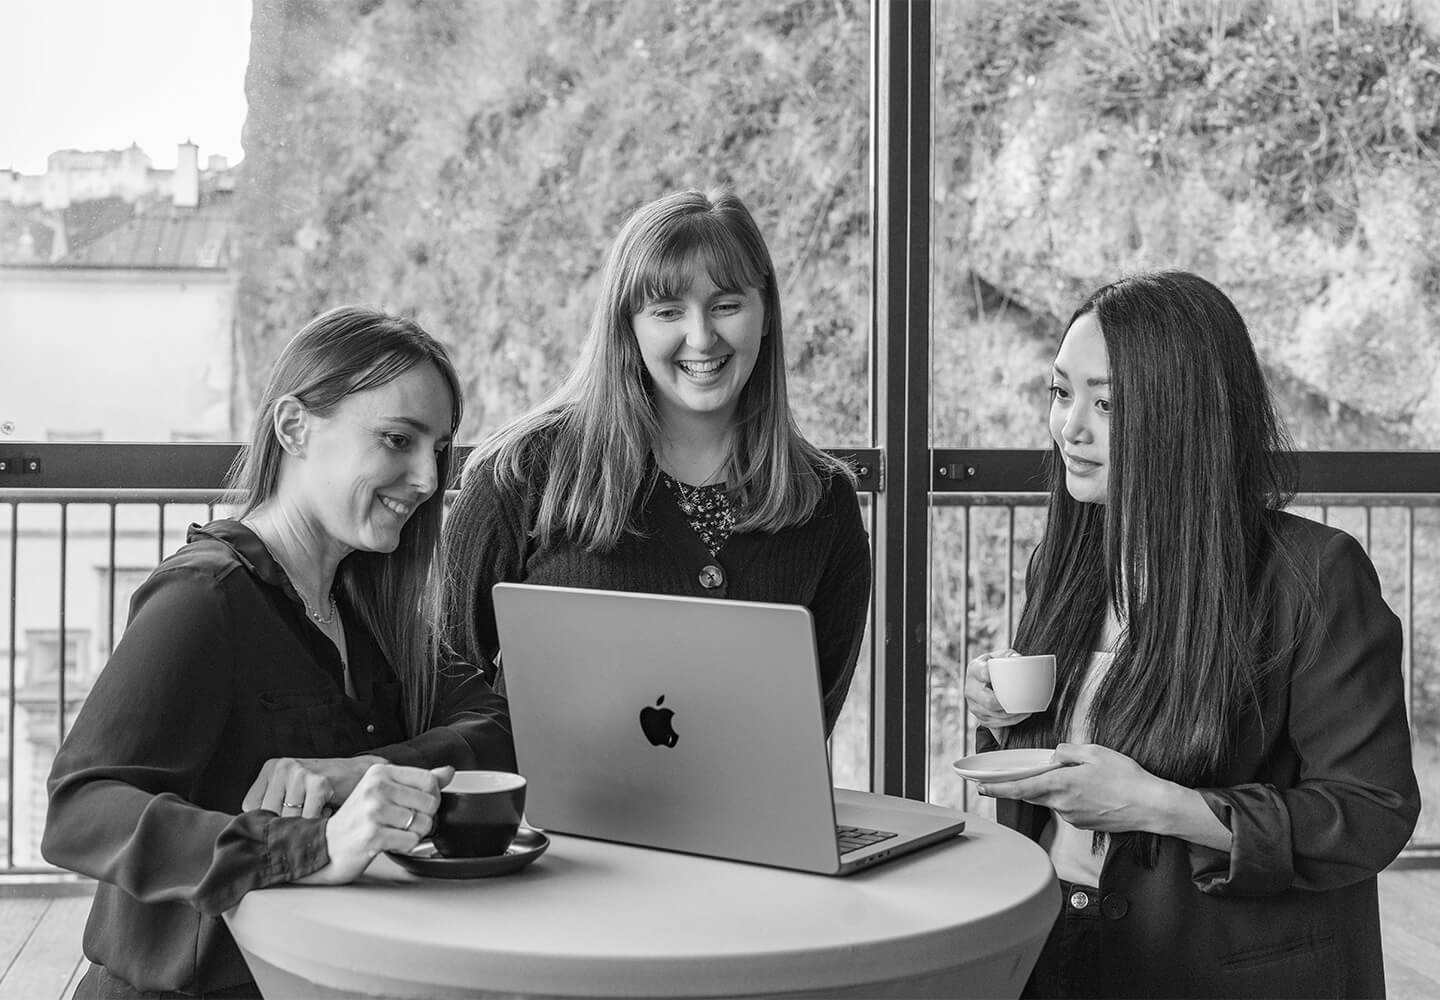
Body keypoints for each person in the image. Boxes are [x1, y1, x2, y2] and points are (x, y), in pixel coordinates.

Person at [963, 271, 1420, 999]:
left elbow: (1370, 813)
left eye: (1107, 404)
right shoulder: (1067, 561)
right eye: (1060, 392)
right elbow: (1062, 775)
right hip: (1055, 946)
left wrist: (1162, 805)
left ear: (1185, 416)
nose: (1070, 427)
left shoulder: (1313, 577)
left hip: (1217, 969)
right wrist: (1004, 723)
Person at [43, 306, 516, 999]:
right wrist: (307, 846)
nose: (425, 477)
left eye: (437, 449)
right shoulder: (204, 599)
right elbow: (81, 810)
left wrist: (357, 773)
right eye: (396, 439)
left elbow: (498, 728)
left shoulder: (367, 604)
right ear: (294, 427)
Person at [442, 188, 870, 734]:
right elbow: (447, 679)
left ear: (765, 314)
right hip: (545, 817)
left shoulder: (824, 501)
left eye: (726, 305)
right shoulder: (523, 471)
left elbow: (806, 728)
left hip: (738, 819)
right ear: (630, 326)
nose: (701, 336)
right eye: (668, 311)